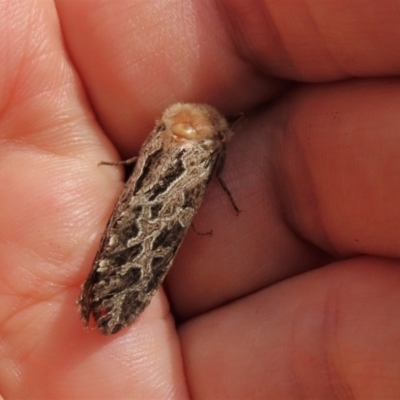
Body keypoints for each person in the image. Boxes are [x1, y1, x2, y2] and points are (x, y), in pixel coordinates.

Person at [1, 0, 399, 398]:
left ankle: (102, 298)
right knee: (147, 236)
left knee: (124, 228)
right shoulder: (206, 152)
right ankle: (107, 303)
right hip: (154, 234)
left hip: (134, 210)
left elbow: (142, 170)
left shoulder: (164, 133)